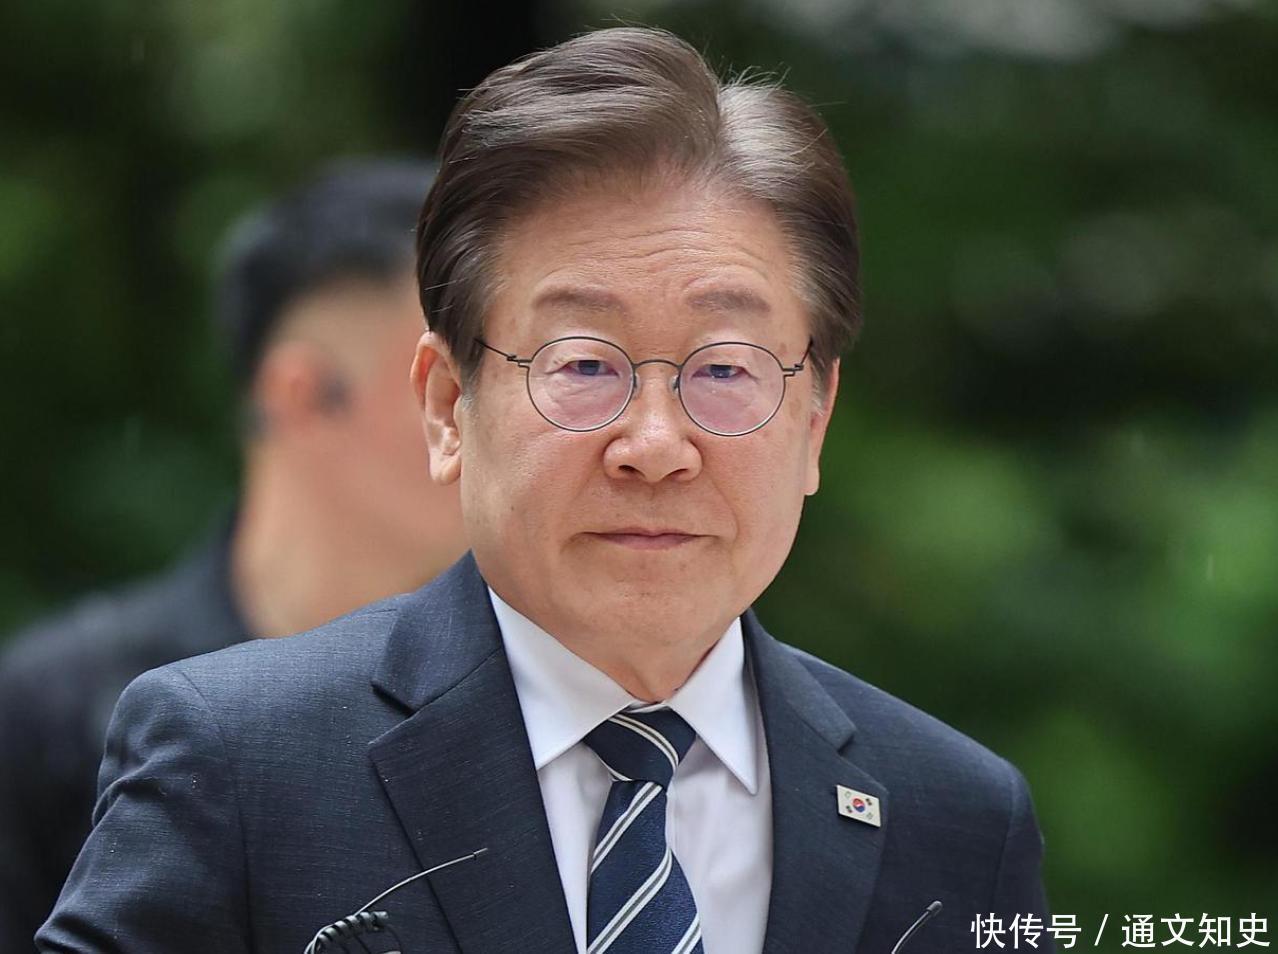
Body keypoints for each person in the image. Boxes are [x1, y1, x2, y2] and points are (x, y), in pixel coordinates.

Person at [38, 29, 1051, 954]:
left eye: (725, 370)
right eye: (583, 365)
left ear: (814, 418)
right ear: (447, 406)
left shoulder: (957, 817)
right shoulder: (239, 760)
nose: (655, 446)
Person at [0, 159, 466, 952]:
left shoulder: (537, 705)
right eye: (448, 379)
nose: (498, 415)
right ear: (302, 395)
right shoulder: (56, 717)